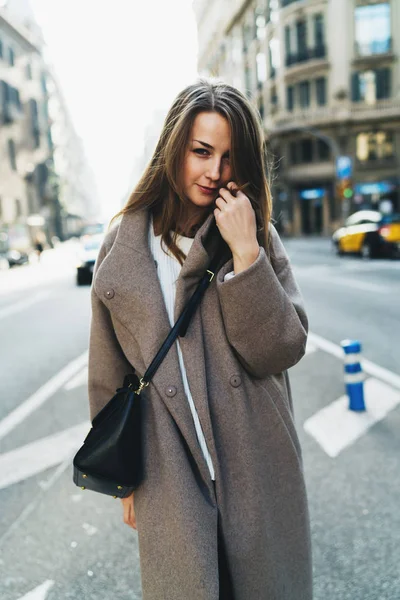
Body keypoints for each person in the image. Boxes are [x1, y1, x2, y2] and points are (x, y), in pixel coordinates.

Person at [88, 79, 312, 600]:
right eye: (201, 152)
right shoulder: (124, 247)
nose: (215, 172)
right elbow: (109, 371)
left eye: (229, 157)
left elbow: (282, 348)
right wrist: (123, 477)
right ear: (174, 148)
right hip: (168, 467)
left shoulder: (252, 233)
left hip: (256, 459)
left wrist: (246, 255)